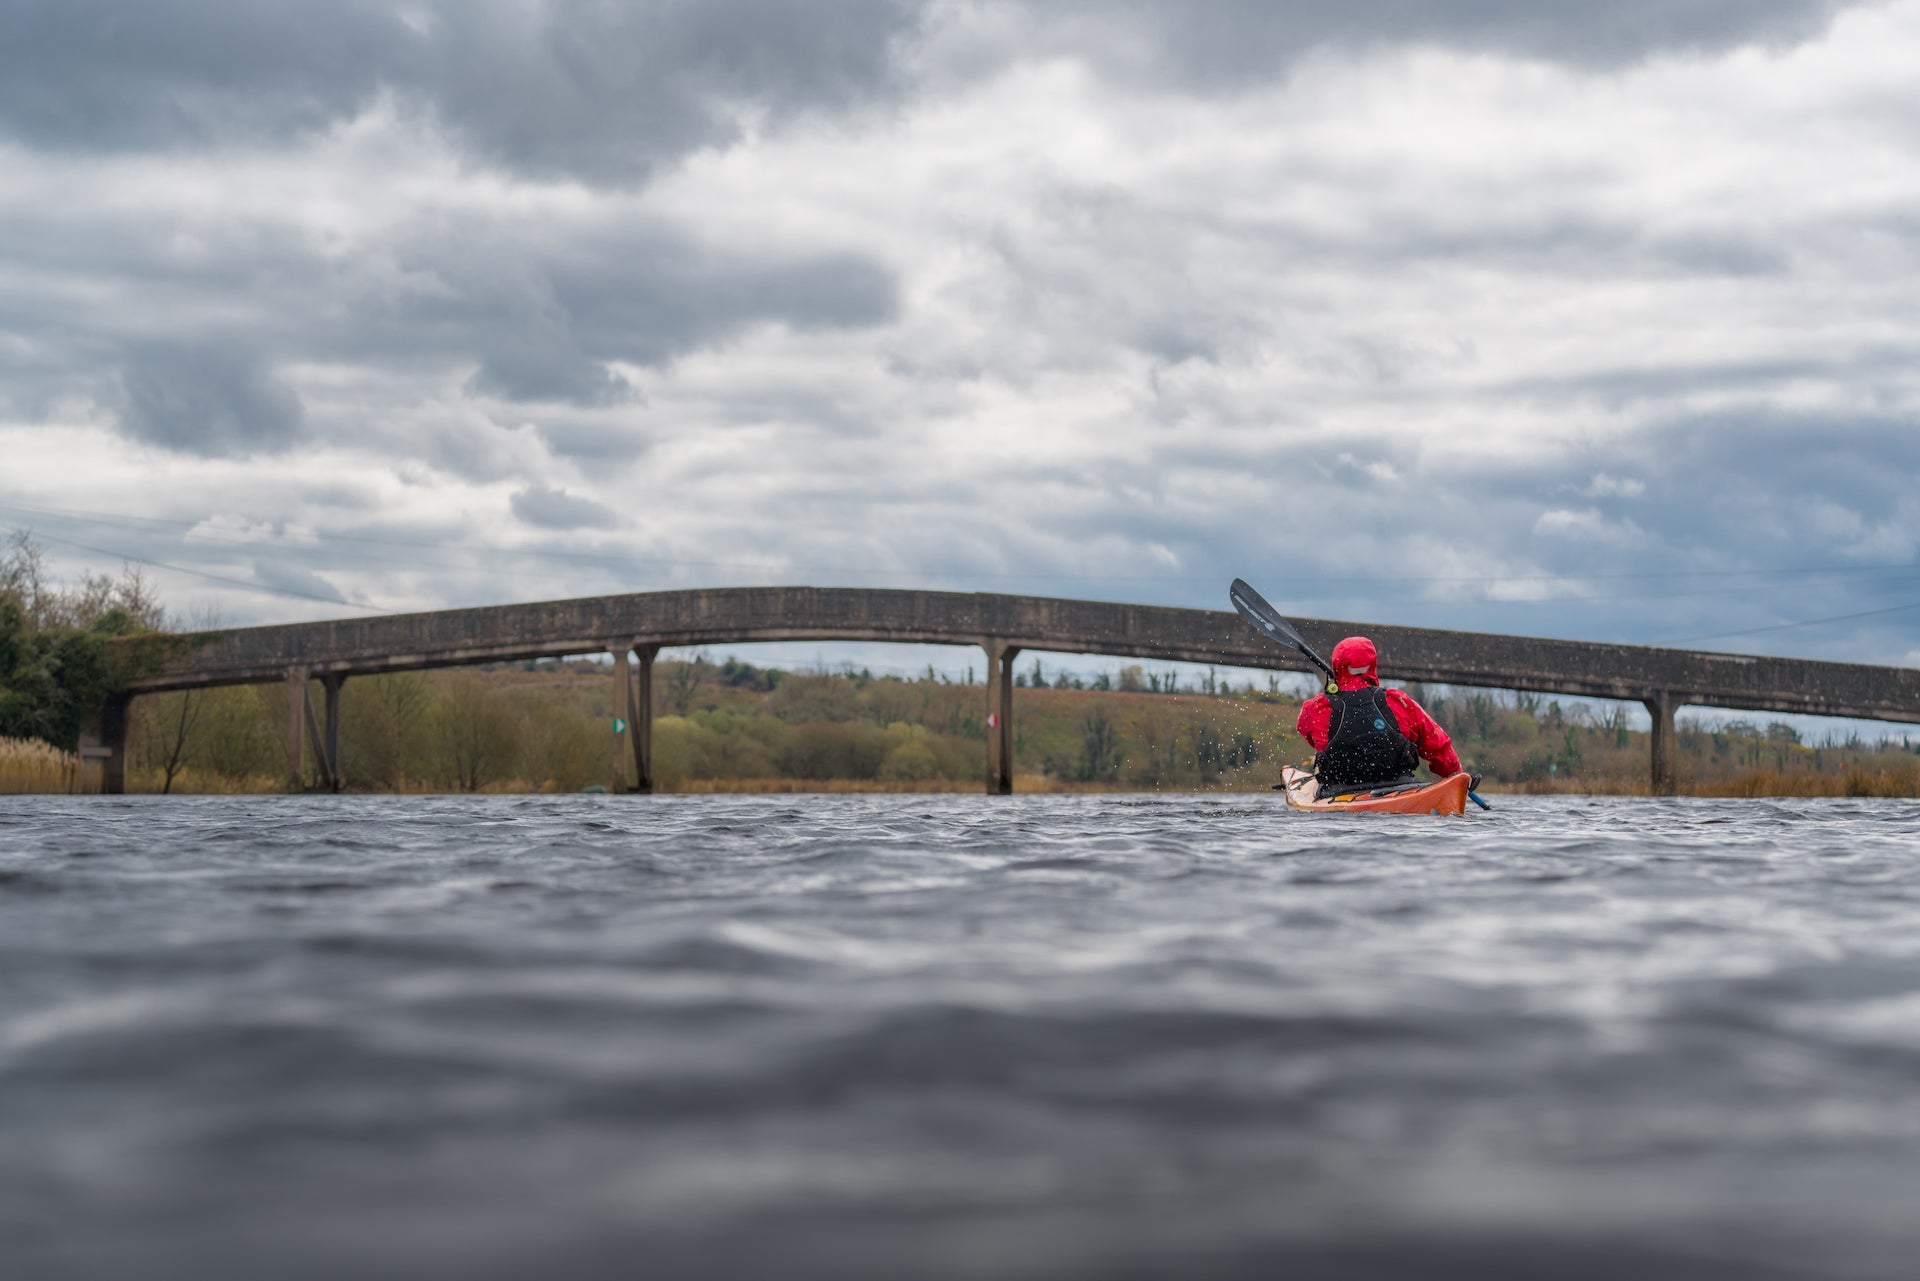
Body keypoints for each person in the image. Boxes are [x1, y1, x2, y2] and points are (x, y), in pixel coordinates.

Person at [1295, 636, 1470, 794]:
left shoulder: (1318, 707)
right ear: (1373, 664)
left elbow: (1306, 731)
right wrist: (1454, 774)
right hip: (1399, 785)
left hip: (1340, 789)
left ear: (1336, 666)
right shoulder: (1397, 700)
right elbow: (1437, 744)